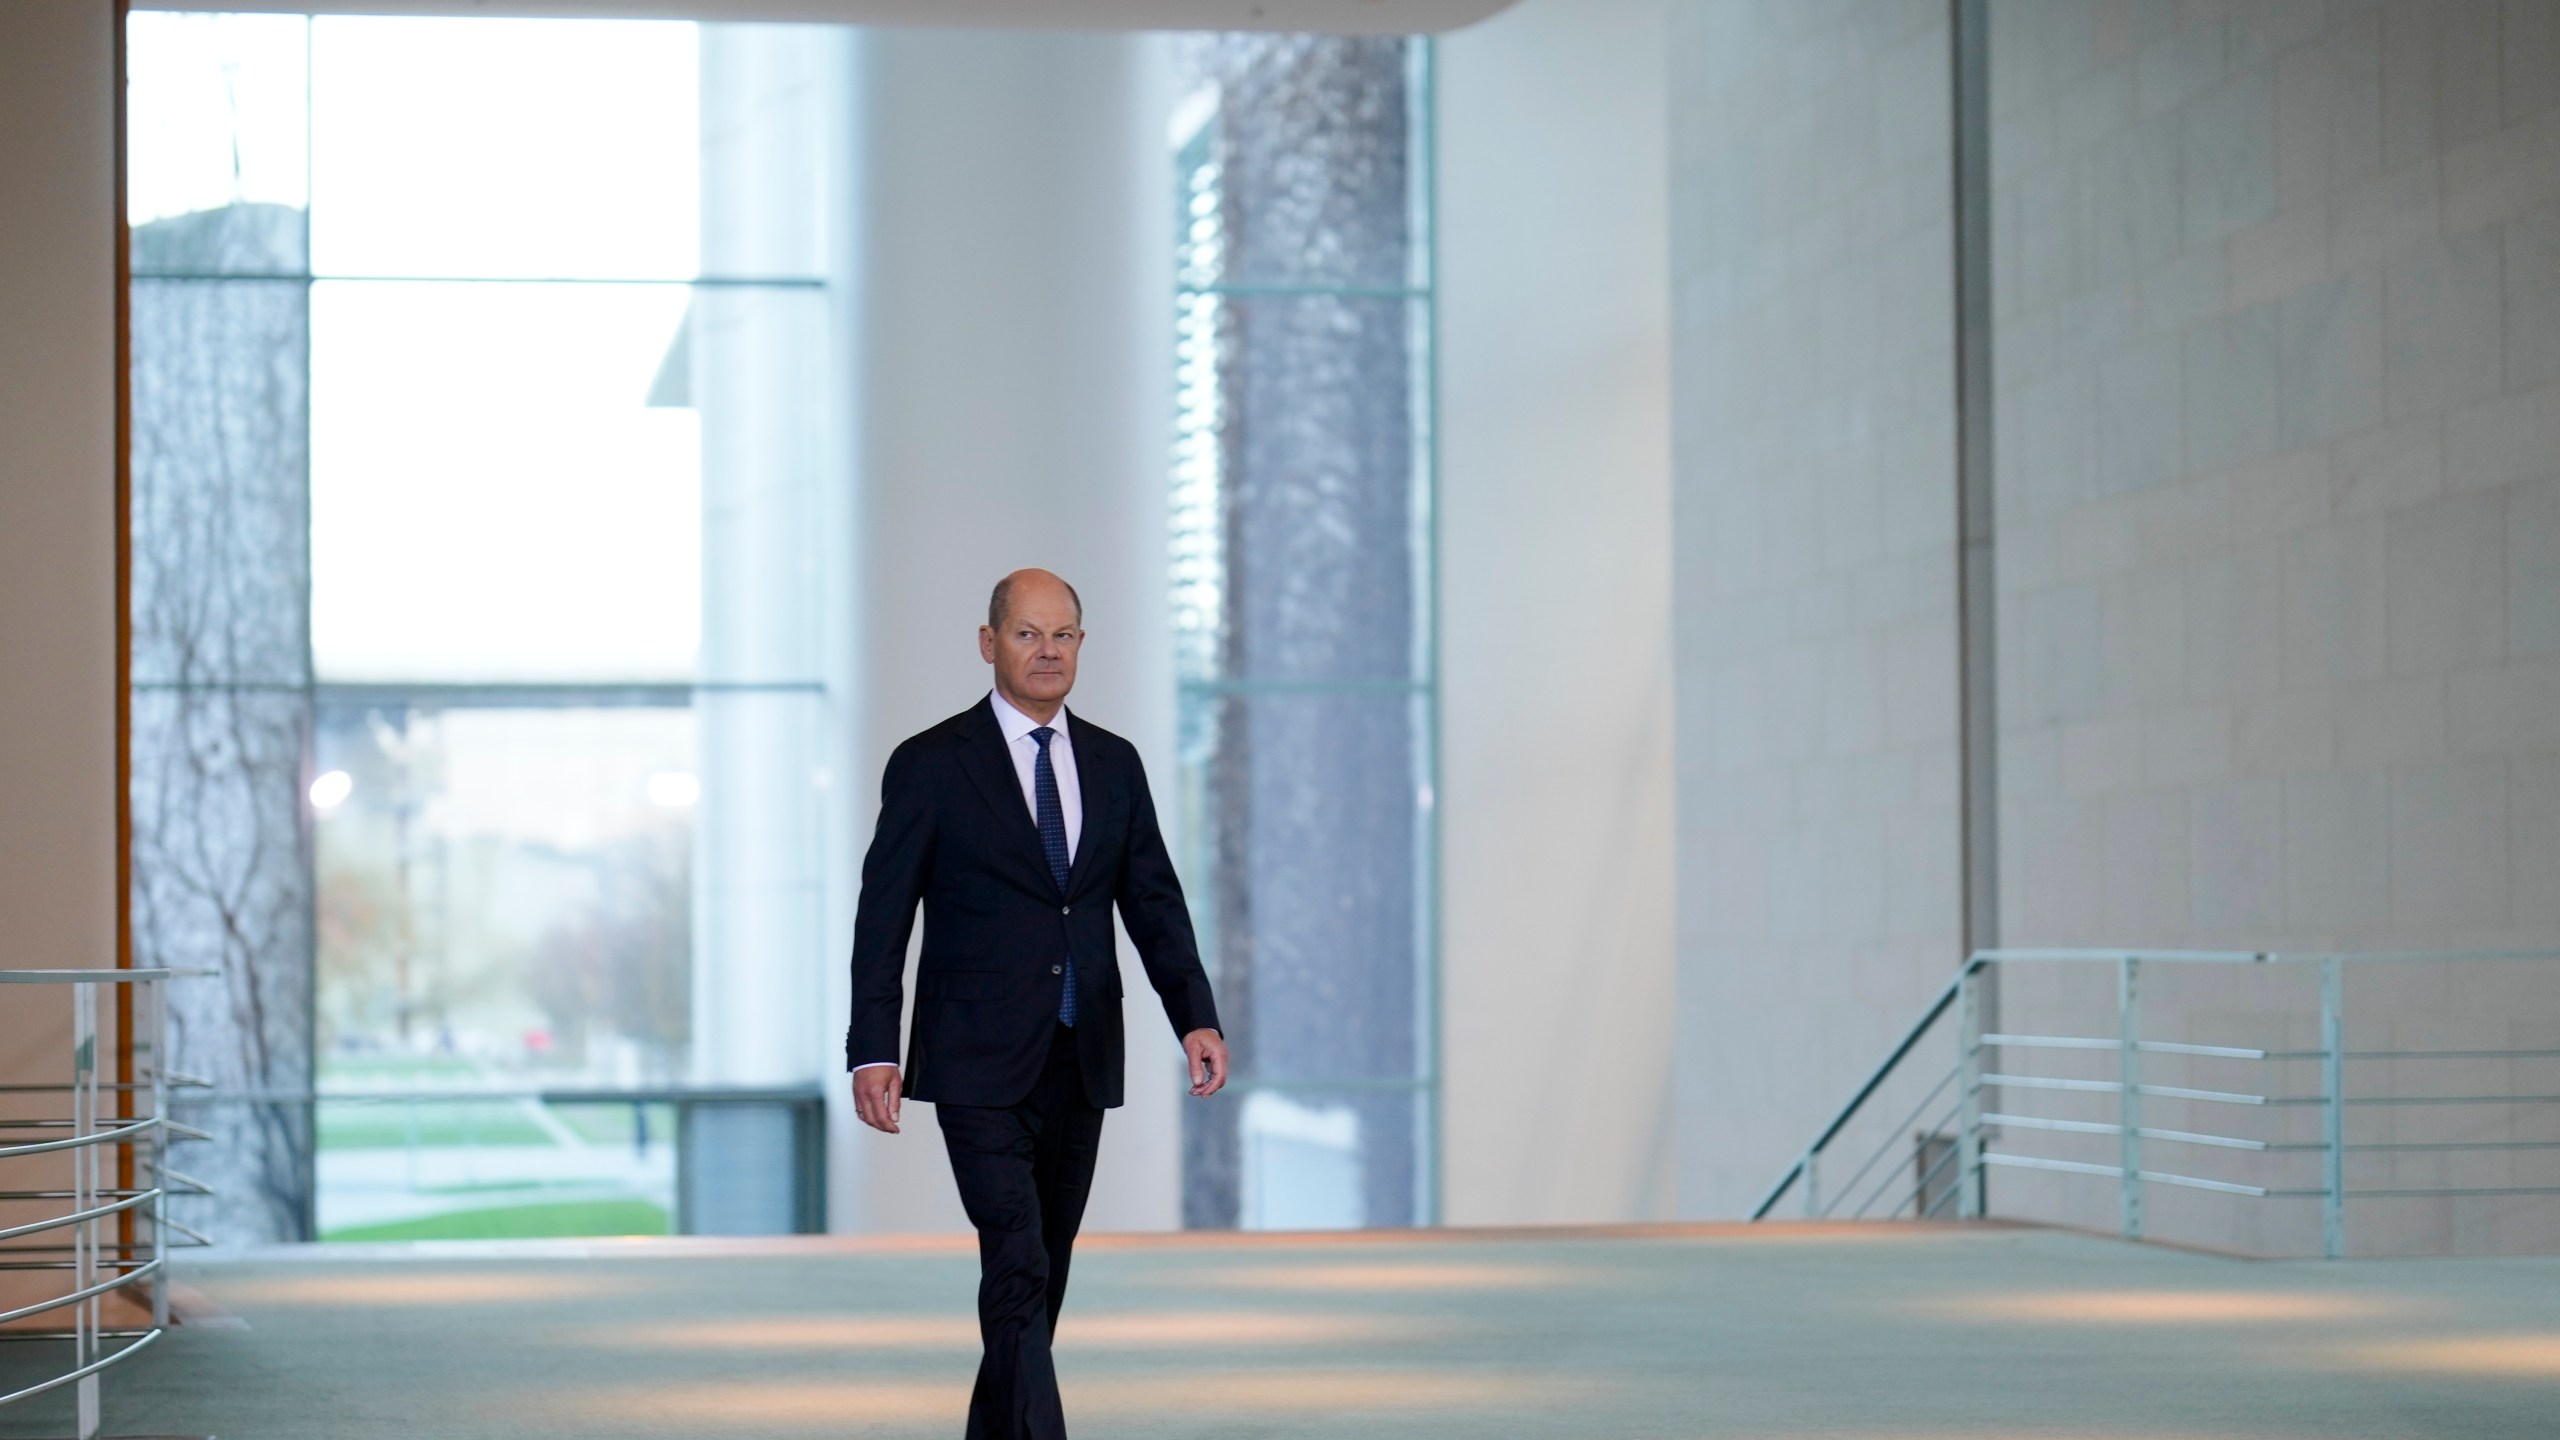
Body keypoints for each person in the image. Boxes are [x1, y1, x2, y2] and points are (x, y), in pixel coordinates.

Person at [847, 567, 1228, 1440]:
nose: (1047, 650)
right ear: (990, 644)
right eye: (1028, 633)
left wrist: (1194, 1016)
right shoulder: (932, 763)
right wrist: (874, 1045)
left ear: (1082, 647)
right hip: (974, 1057)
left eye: (1063, 635)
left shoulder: (1114, 764)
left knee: (1043, 1270)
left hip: (1080, 1050)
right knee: (1015, 1257)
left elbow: (1154, 903)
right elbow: (883, 915)